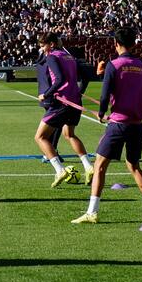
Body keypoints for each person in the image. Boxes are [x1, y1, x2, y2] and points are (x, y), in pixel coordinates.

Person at [72, 27, 142, 226]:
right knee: (133, 166)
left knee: (99, 166)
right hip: (137, 125)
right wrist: (136, 111)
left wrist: (101, 113)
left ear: (116, 44)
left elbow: (104, 95)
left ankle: (92, 212)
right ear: (134, 43)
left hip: (118, 125)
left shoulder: (113, 65)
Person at [34, 33, 95, 188]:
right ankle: (89, 166)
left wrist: (46, 94)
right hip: (75, 101)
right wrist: (77, 91)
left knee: (40, 137)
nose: (42, 49)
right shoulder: (69, 56)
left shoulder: (52, 57)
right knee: (69, 134)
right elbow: (85, 77)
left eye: (43, 45)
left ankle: (59, 170)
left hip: (62, 102)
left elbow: (59, 79)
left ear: (51, 44)